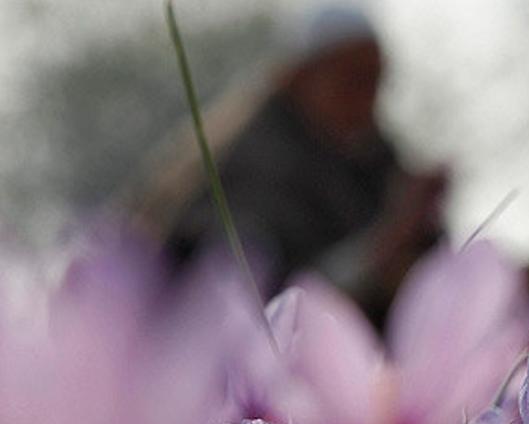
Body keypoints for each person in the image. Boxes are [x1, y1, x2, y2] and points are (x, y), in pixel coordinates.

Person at [128, 4, 446, 323]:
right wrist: (383, 251)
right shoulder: (255, 164)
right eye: (352, 79)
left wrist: (420, 226)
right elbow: (260, 300)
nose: (368, 97)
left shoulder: (370, 154)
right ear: (298, 78)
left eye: (376, 79)